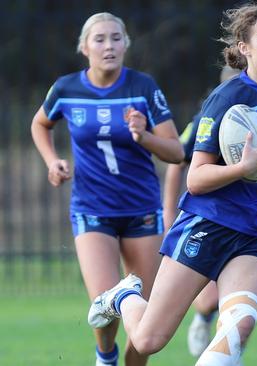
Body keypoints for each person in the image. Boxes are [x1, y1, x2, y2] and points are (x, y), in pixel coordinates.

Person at [86, 3, 257, 366]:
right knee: (148, 340)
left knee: (235, 330)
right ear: (244, 47)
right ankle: (124, 297)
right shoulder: (226, 98)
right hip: (209, 223)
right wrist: (243, 168)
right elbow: (196, 178)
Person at [30, 12, 183, 366]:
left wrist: (143, 136)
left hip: (142, 210)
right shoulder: (66, 89)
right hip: (91, 210)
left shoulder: (143, 87)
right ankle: (105, 355)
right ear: (85, 48)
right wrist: (52, 160)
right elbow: (40, 124)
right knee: (106, 303)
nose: (109, 45)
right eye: (99, 39)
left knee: (145, 319)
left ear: (126, 45)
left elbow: (177, 152)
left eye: (116, 38)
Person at [161, 65, 240, 358]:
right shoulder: (207, 118)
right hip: (209, 217)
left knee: (238, 303)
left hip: (248, 221)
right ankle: (203, 319)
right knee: (208, 299)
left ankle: (223, 352)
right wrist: (169, 210)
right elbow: (177, 161)